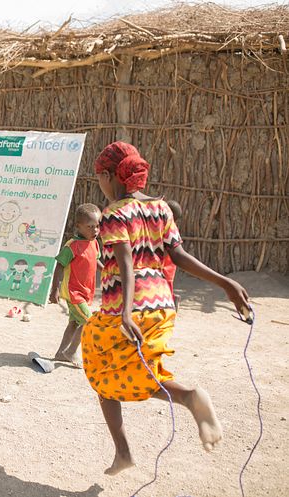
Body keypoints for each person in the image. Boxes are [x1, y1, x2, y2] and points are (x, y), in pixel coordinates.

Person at [82, 141, 250, 475]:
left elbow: (125, 261)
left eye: (100, 177)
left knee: (101, 373)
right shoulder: (161, 208)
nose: (100, 184)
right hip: (162, 305)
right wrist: (226, 283)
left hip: (125, 308)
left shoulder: (114, 213)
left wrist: (126, 311)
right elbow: (178, 256)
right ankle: (131, 446)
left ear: (109, 175)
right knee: (128, 373)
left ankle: (177, 406)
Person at [47, 203, 102, 369]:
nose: (95, 231)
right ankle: (71, 351)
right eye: (90, 227)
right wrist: (55, 289)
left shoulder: (94, 243)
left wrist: (108, 271)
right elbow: (60, 265)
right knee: (89, 322)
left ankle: (60, 353)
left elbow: (96, 260)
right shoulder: (72, 246)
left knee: (74, 323)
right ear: (78, 226)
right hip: (74, 293)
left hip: (86, 292)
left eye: (97, 226)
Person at [163, 199, 182, 310]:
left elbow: (167, 250)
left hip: (167, 264)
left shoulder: (170, 229)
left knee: (166, 286)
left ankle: (172, 304)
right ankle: (174, 299)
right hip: (167, 264)